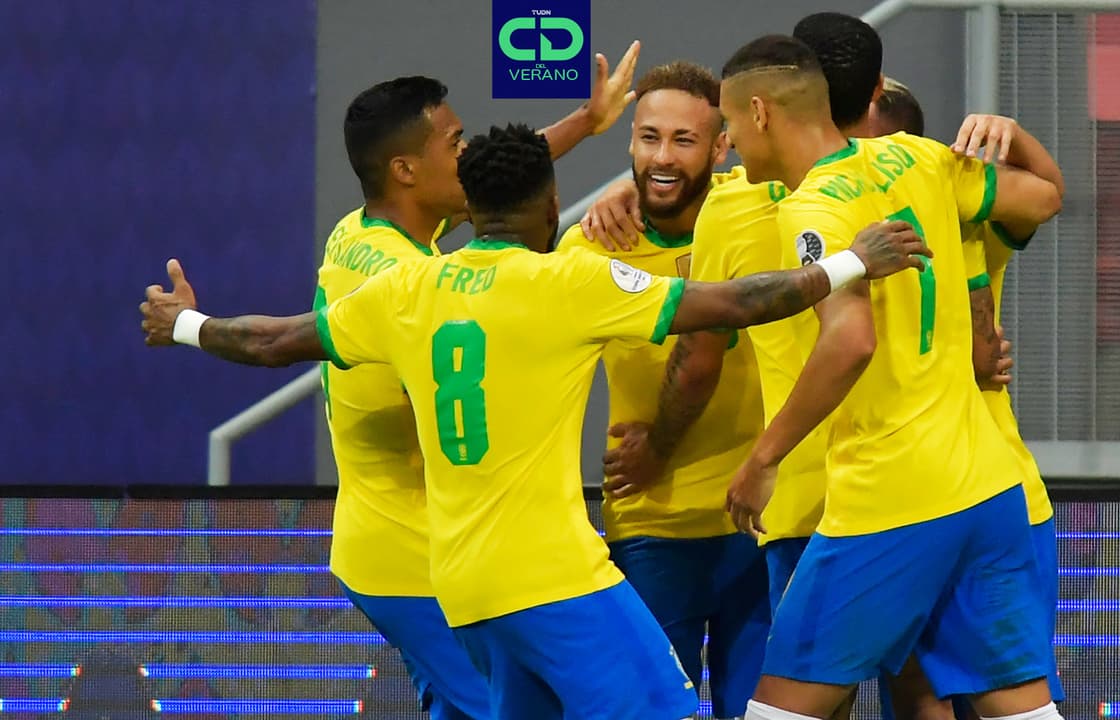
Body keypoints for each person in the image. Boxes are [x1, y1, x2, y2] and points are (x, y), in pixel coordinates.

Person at [139, 123, 931, 720]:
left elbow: (271, 340)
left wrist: (184, 324)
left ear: (472, 207)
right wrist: (852, 261)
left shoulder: (405, 292)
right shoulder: (568, 284)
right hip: (554, 576)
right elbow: (736, 302)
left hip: (462, 585)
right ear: (552, 205)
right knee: (665, 707)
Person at [715, 35, 1064, 720]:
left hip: (890, 494)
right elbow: (1046, 195)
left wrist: (763, 459)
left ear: (759, 112)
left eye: (729, 123)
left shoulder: (810, 210)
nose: (729, 143)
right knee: (1019, 707)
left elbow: (850, 341)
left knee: (782, 705)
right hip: (988, 488)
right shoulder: (919, 157)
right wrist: (1013, 132)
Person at [308, 43, 640, 717]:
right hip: (412, 556)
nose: (467, 156)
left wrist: (585, 122)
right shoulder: (403, 279)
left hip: (384, 542)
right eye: (455, 143)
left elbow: (495, 180)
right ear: (405, 170)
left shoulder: (365, 231)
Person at [556, 61, 772, 720]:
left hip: (762, 521)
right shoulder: (588, 249)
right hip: (651, 526)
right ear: (630, 142)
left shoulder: (762, 211)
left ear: (721, 147)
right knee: (650, 711)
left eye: (684, 140)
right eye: (649, 138)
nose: (662, 157)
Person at [865, 79, 1067, 720]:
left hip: (999, 496)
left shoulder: (970, 222)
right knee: (917, 694)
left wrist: (1012, 131)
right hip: (893, 500)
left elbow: (1047, 194)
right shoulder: (820, 218)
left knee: (1007, 700)